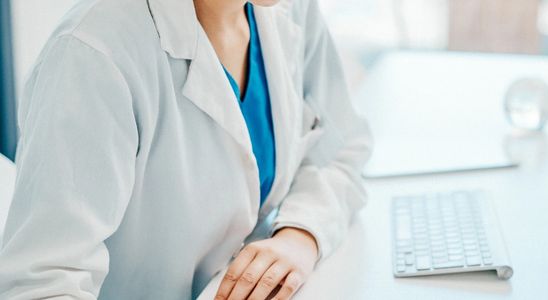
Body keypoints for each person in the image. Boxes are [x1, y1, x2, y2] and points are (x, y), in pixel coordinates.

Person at [0, 0, 372, 299]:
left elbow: (341, 150)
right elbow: (41, 286)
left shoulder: (286, 9)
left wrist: (300, 235)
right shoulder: (90, 55)